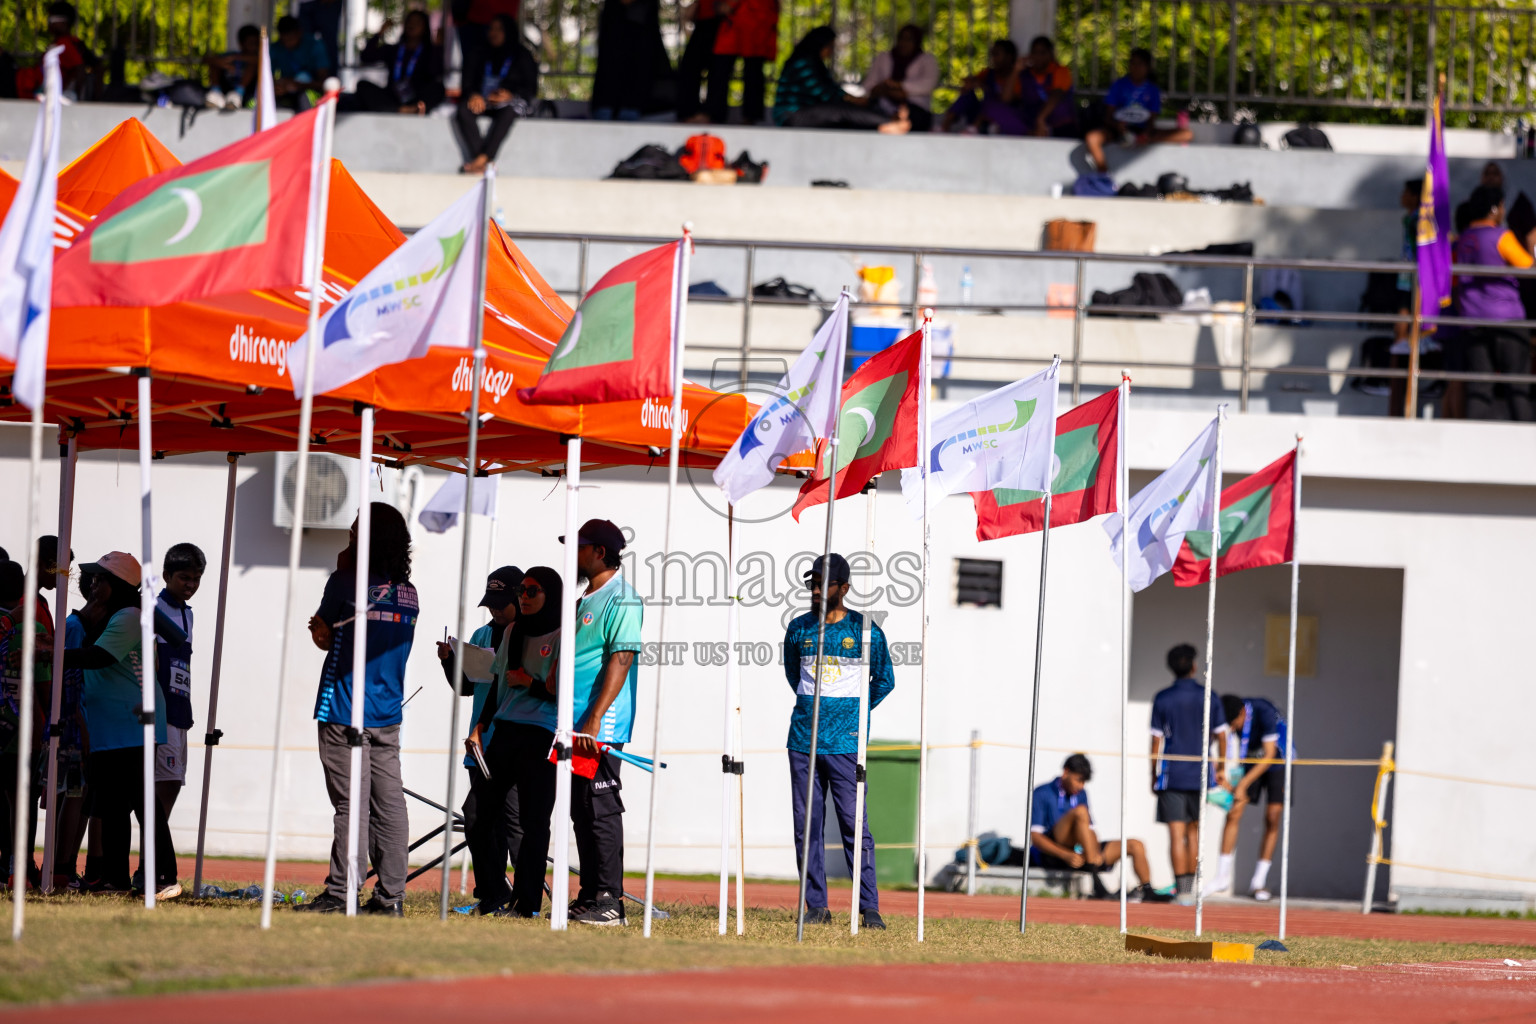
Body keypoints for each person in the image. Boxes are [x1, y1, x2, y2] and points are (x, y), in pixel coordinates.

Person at [296, 503, 417, 916]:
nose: (348, 537)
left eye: (353, 532)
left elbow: (326, 637)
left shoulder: (345, 582)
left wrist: (319, 626)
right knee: (390, 803)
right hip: (387, 711)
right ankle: (390, 897)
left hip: (344, 707)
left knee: (351, 804)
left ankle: (339, 893)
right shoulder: (408, 592)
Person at [782, 552, 893, 930]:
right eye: (811, 582)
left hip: (846, 744)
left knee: (853, 825)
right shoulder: (798, 629)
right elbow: (793, 675)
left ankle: (869, 907)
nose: (815, 589)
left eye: (823, 583)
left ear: (844, 588)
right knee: (806, 825)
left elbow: (884, 680)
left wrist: (853, 715)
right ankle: (816, 905)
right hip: (803, 740)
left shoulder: (865, 632)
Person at [63, 552, 170, 896]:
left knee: (137, 803)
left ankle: (161, 876)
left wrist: (50, 654)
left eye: (100, 579)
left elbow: (98, 658)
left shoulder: (128, 616)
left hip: (133, 723)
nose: (93, 584)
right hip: (116, 726)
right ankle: (116, 879)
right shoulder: (117, 616)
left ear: (119, 586)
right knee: (115, 807)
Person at [471, 565, 563, 917]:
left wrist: (530, 682)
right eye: (520, 591)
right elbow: (497, 685)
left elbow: (564, 693)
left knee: (533, 822)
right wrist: (481, 725)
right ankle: (494, 893)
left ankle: (526, 905)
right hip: (505, 732)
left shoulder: (563, 636)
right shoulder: (511, 630)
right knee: (476, 813)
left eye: (531, 591)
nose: (523, 598)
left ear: (549, 595)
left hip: (542, 735)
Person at [562, 519, 642, 926]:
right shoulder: (585, 598)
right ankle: (591, 894)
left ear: (598, 551)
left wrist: (594, 717)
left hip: (601, 722)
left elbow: (621, 657)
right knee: (581, 810)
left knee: (600, 806)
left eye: (578, 546)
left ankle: (612, 899)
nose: (572, 554)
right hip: (574, 721)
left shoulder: (622, 597)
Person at [436, 564, 523, 913]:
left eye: (502, 603)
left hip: (515, 743)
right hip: (481, 747)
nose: (496, 610)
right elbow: (467, 687)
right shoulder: (482, 635)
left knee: (514, 823)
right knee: (477, 818)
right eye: (491, 603)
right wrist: (449, 662)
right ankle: (493, 893)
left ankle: (525, 896)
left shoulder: (529, 636)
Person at [1028, 754, 1170, 902]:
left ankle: (1147, 891)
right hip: (1058, 850)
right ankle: (1097, 884)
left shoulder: (1081, 793)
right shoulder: (1042, 792)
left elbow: (1090, 828)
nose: (1081, 786)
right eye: (1079, 780)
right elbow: (1036, 837)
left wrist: (1095, 851)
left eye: (1084, 782)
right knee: (1081, 811)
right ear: (1066, 772)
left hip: (1083, 852)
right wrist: (1065, 855)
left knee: (1136, 845)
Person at [1149, 642, 1228, 906]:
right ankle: (1190, 890)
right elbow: (1222, 734)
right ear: (1194, 666)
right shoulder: (1208, 696)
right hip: (1200, 774)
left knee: (1175, 834)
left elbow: (1155, 742)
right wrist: (1221, 766)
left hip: (1171, 775)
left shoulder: (1163, 698)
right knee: (1193, 834)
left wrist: (1152, 773)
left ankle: (1182, 892)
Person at [1451, 184, 1535, 421]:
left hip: (1473, 322)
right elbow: (1527, 266)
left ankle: (1473, 445)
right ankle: (1527, 446)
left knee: (1479, 389)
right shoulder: (1501, 236)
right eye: (1502, 206)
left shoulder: (1463, 239)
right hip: (1508, 321)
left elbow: (1455, 281)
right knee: (1517, 388)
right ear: (1495, 209)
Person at [150, 543, 203, 901]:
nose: (190, 584)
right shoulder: (153, 610)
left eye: (196, 579)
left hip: (180, 710)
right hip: (162, 709)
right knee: (162, 783)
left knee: (174, 783)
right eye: (184, 577)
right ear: (167, 576)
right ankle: (152, 864)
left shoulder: (189, 614)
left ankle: (154, 854)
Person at [1207, 695, 1290, 900]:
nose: (1233, 730)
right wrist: (1221, 769)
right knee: (1234, 811)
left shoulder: (1265, 713)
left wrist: (1243, 784)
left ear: (1243, 713)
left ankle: (1258, 881)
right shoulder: (1231, 711)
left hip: (1277, 761)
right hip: (1253, 758)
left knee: (1272, 816)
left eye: (1235, 725)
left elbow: (1269, 754)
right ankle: (1221, 876)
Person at [0, 560, 49, 890]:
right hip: (27, 730)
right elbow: (46, 686)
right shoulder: (37, 630)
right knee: (23, 803)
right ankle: (19, 869)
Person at [772, 26, 909, 133]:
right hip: (792, 116)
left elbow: (831, 91)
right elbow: (824, 93)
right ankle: (888, 122)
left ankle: (886, 121)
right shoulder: (802, 62)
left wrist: (854, 100)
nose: (831, 52)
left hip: (808, 113)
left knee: (847, 115)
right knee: (841, 111)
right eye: (830, 47)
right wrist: (851, 99)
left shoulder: (815, 64)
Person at [456, 13, 539, 175]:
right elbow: (467, 82)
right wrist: (474, 94)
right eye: (491, 29)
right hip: (483, 100)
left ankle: (481, 160)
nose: (493, 33)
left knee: (509, 112)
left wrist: (511, 95)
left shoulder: (522, 54)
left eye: (499, 29)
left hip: (510, 101)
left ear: (508, 31)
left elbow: (531, 88)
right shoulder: (478, 52)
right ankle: (484, 159)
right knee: (463, 111)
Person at [1084, 48, 1191, 172]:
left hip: (1142, 131)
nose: (1135, 67)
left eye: (1139, 64)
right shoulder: (1119, 85)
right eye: (1132, 63)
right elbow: (1108, 117)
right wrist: (1118, 126)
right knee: (1092, 138)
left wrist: (1145, 135)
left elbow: (1152, 120)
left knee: (1186, 134)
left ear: (1147, 67)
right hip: (1118, 130)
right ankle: (1104, 176)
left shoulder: (1152, 90)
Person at [345, 10, 445, 114]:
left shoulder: (428, 51)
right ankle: (399, 110)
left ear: (425, 28)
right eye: (409, 21)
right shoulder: (394, 49)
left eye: (417, 22)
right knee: (363, 86)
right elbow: (366, 56)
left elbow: (436, 73)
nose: (412, 25)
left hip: (417, 98)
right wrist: (380, 32)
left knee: (439, 88)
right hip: (392, 98)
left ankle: (413, 109)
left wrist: (437, 47)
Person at [591, 0, 668, 120]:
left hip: (640, 23)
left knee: (637, 65)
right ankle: (609, 110)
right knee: (611, 65)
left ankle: (626, 110)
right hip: (617, 23)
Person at [706, 0, 778, 125]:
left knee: (753, 68)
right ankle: (715, 115)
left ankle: (751, 117)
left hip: (755, 16)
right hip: (734, 20)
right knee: (720, 67)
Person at [860, 24, 939, 133]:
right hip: (882, 104)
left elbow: (928, 84)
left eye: (909, 39)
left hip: (915, 109)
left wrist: (900, 86)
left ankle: (896, 125)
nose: (904, 43)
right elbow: (869, 84)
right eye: (901, 38)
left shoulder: (927, 60)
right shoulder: (883, 57)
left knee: (916, 119)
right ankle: (889, 125)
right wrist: (885, 90)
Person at [15, 2, 100, 100]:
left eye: (52, 19)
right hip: (28, 85)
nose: (49, 23)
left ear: (65, 23)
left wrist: (72, 95)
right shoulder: (72, 42)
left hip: (27, 87)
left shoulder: (64, 45)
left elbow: (79, 68)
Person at [940, 38, 1026, 135]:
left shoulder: (1019, 76)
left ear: (1009, 57)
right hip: (984, 115)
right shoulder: (989, 73)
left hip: (1006, 119)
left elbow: (1006, 99)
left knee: (991, 102)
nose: (993, 58)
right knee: (968, 95)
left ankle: (974, 128)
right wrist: (971, 84)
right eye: (992, 54)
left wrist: (985, 87)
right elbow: (970, 83)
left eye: (996, 54)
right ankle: (944, 127)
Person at [269, 15, 331, 112]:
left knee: (305, 98)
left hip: (311, 91)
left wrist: (298, 85)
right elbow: (268, 77)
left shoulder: (315, 46)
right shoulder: (276, 48)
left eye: (291, 39)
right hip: (285, 93)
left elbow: (324, 82)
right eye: (284, 40)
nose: (288, 44)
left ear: (299, 33)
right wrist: (276, 87)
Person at [1019, 36, 1077, 137]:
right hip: (1031, 124)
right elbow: (1006, 99)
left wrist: (1041, 119)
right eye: (1035, 52)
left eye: (1042, 53)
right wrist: (1016, 70)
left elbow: (1057, 95)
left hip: (1059, 125)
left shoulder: (1060, 71)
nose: (1038, 56)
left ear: (1050, 54)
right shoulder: (1025, 75)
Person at [675, 0, 719, 122]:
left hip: (723, 21)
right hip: (703, 19)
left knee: (717, 70)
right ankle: (689, 113)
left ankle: (710, 115)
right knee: (689, 68)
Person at [204, 24, 262, 111]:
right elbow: (207, 59)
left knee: (252, 65)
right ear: (241, 43)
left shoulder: (259, 58)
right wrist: (222, 63)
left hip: (249, 97)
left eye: (257, 43)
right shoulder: (230, 56)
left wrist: (237, 58)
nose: (254, 46)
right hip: (226, 93)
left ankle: (238, 93)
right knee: (215, 63)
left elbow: (258, 60)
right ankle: (216, 92)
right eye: (251, 43)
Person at [298, 0, 345, 75]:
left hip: (328, 4)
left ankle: (329, 82)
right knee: (303, 42)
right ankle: (303, 79)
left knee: (329, 45)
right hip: (306, 3)